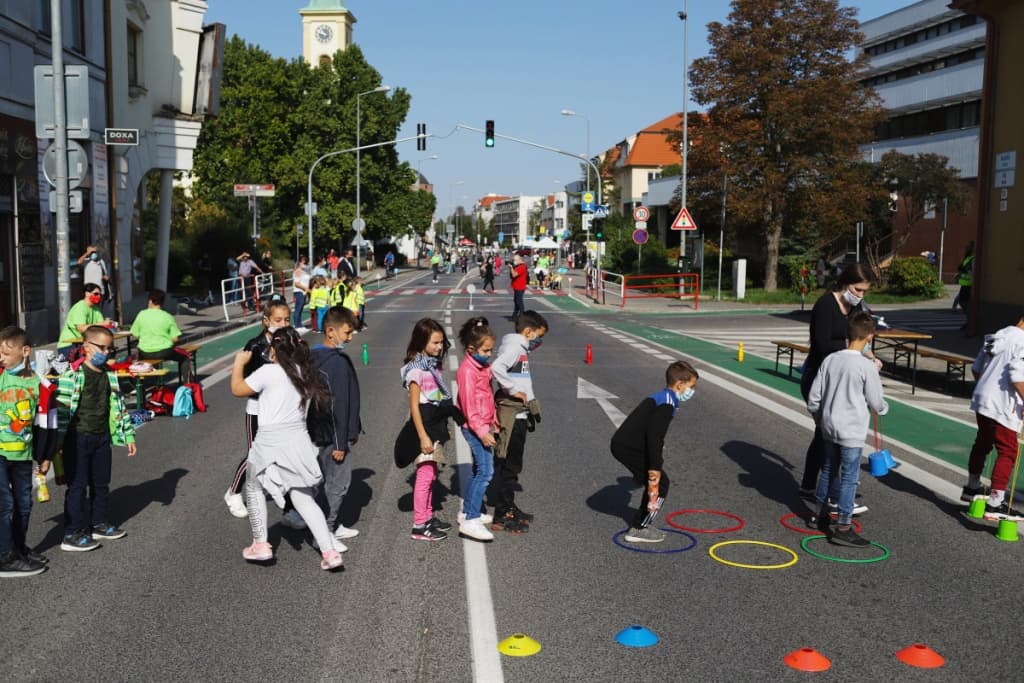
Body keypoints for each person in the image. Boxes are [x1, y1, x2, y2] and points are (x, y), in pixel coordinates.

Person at [230, 327, 342, 571]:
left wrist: (239, 363)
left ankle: (260, 544)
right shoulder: (305, 373)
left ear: (274, 350)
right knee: (302, 497)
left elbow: (237, 389)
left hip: (270, 438)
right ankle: (329, 551)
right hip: (298, 440)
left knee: (253, 486)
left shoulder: (268, 372)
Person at [798, 263, 880, 508]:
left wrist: (871, 356)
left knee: (824, 435)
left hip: (842, 378)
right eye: (857, 289)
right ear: (845, 283)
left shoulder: (856, 308)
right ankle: (835, 496)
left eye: (865, 291)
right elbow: (822, 345)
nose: (860, 295)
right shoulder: (825, 305)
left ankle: (810, 485)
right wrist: (853, 355)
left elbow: (861, 339)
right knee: (831, 436)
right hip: (819, 377)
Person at [806, 313, 888, 546]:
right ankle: (843, 525)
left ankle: (818, 514)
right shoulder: (866, 365)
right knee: (850, 477)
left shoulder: (831, 359)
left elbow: (814, 396)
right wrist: (883, 408)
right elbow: (875, 400)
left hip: (829, 425)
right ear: (869, 337)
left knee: (829, 468)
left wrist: (818, 416)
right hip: (851, 430)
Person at [56, 325, 137, 552]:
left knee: (101, 484)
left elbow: (119, 408)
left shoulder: (110, 376)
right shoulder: (72, 375)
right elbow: (61, 412)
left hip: (102, 438)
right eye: (101, 347)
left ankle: (99, 523)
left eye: (109, 349)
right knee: (77, 486)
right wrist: (56, 446)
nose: (106, 352)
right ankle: (72, 532)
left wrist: (127, 435)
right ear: (86, 347)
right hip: (77, 438)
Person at [611, 361, 699, 543]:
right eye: (692, 386)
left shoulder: (664, 397)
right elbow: (655, 438)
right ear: (680, 384)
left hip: (626, 445)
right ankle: (639, 529)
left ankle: (641, 523)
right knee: (661, 484)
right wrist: (655, 467)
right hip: (628, 447)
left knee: (654, 482)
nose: (692, 391)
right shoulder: (667, 403)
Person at [223, 296, 291, 519]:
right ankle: (233, 492)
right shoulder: (255, 345)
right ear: (266, 321)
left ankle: (291, 509)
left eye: (286, 320)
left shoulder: (291, 342)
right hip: (258, 409)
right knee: (256, 455)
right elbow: (243, 380)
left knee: (286, 455)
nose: (283, 324)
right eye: (278, 320)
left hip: (283, 410)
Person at [0, 327, 55, 576]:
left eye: (6, 352)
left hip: (23, 455)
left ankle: (18, 548)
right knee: (6, 504)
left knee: (24, 504)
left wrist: (45, 456)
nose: (1, 357)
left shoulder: (39, 383)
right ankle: (5, 556)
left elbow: (46, 423)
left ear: (25, 351)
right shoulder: (0, 376)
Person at [961, 311, 1024, 518]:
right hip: (1002, 404)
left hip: (982, 399)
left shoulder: (998, 335)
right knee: (1007, 451)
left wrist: (986, 386)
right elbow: (1017, 376)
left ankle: (972, 487)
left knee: (983, 441)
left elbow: (976, 368)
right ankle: (996, 503)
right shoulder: (1022, 341)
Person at [489, 310, 547, 533]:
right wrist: (514, 391)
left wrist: (528, 398)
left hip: (520, 415)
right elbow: (497, 368)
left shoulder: (518, 348)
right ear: (528, 332)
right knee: (509, 467)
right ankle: (503, 514)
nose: (539, 341)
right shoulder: (515, 348)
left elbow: (520, 378)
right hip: (513, 417)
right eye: (538, 336)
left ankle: (509, 506)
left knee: (512, 465)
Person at [399, 318, 454, 541]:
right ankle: (420, 525)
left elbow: (437, 398)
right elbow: (414, 406)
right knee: (425, 475)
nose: (439, 347)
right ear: (422, 342)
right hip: (423, 427)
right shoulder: (416, 370)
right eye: (434, 343)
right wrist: (423, 436)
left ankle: (428, 516)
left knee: (431, 474)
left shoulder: (432, 365)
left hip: (435, 424)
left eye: (441, 342)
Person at [312, 307, 362, 545]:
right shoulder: (336, 363)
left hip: (321, 432)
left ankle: (333, 525)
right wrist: (342, 441)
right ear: (330, 331)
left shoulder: (316, 357)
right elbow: (338, 405)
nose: (350, 338)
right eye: (347, 332)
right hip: (333, 436)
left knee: (328, 479)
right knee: (338, 484)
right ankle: (327, 532)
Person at [455, 317, 498, 542]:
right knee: (486, 471)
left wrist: (494, 421)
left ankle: (468, 512)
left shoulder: (482, 366)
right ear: (471, 349)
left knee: (477, 470)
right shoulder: (467, 372)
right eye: (486, 350)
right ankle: (471, 519)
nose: (489, 354)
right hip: (474, 427)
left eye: (491, 350)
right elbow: (470, 408)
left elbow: (487, 396)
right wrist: (483, 432)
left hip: (483, 424)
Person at [130, 289, 193, 383]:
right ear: (162, 302)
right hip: (164, 351)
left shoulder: (141, 314)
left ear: (150, 301)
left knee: (135, 359)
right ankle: (187, 384)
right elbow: (175, 338)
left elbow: (135, 334)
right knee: (184, 358)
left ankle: (138, 385)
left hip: (145, 352)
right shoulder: (167, 316)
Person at [57, 284, 114, 359]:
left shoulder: (96, 309)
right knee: (96, 357)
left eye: (100, 294)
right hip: (69, 345)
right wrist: (102, 324)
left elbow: (101, 329)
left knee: (107, 353)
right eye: (96, 294)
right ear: (87, 293)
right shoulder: (80, 307)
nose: (98, 296)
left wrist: (110, 325)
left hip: (84, 344)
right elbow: (82, 328)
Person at [77, 246, 111, 313]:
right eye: (91, 252)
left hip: (100, 291)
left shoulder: (101, 262)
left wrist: (105, 277)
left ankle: (98, 322)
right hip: (89, 291)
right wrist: (87, 253)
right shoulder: (86, 261)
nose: (93, 254)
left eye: (94, 252)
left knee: (98, 311)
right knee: (89, 310)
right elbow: (78, 262)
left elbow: (106, 275)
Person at [954, 241, 975, 324]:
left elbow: (972, 272)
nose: (966, 248)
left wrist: (965, 271)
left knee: (965, 303)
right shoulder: (967, 258)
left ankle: (970, 321)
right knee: (962, 302)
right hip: (965, 285)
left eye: (968, 247)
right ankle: (968, 320)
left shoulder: (972, 258)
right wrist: (959, 275)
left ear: (973, 248)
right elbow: (963, 269)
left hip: (969, 285)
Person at [292, 255, 310, 330]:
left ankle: (299, 324)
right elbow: (297, 283)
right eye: (303, 262)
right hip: (299, 291)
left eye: (305, 262)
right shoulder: (298, 271)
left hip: (304, 292)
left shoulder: (304, 271)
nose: (304, 264)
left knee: (301, 308)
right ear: (299, 262)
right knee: (298, 308)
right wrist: (306, 288)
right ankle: (297, 325)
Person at [509, 254, 528, 321]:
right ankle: (514, 315)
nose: (513, 261)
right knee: (516, 301)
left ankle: (522, 316)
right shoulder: (519, 266)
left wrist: (511, 268)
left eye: (514, 260)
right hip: (518, 286)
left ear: (519, 260)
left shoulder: (521, 267)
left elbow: (514, 275)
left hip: (519, 286)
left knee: (519, 302)